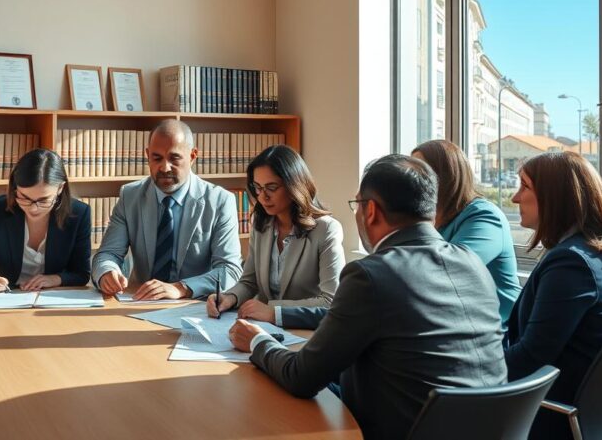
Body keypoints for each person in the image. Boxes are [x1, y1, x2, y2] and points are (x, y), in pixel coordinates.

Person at [229, 154, 506, 440]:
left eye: (357, 204)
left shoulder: (370, 275)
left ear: (370, 210)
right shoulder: (472, 262)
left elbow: (301, 379)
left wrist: (257, 340)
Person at [507, 151, 602, 439]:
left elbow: (531, 358)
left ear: (556, 196)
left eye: (525, 187)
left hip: (552, 417)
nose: (515, 198)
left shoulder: (572, 263)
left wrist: (473, 369)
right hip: (585, 416)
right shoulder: (595, 254)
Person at [92, 120, 242, 300]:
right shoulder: (130, 196)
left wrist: (181, 288)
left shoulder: (219, 201)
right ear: (147, 156)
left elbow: (230, 270)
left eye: (174, 158)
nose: (164, 167)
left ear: (193, 156)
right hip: (140, 302)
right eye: (157, 158)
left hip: (195, 306)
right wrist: (107, 272)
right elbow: (107, 254)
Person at [206, 145, 345, 325]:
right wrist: (229, 297)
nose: (263, 197)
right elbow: (249, 282)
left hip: (306, 333)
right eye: (257, 187)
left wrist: (274, 311)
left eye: (271, 187)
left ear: (294, 186)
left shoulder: (326, 230)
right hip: (263, 327)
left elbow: (331, 302)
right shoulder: (261, 224)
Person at [412, 139, 521, 323]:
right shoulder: (430, 218)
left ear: (445, 176)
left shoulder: (485, 216)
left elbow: (447, 271)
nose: (411, 179)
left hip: (495, 336)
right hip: (455, 324)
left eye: (420, 172)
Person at [0, 148, 91, 291]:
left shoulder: (79, 213)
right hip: (7, 298)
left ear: (60, 188)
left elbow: (82, 273)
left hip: (54, 297)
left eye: (43, 200)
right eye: (24, 198)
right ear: (15, 188)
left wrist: (55, 279)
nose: (33, 208)